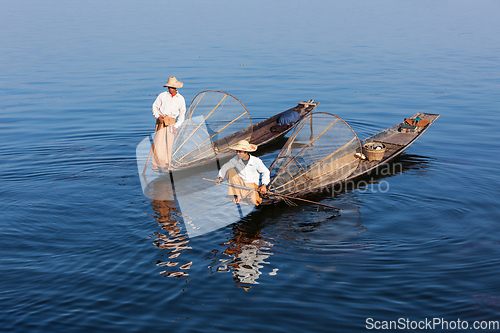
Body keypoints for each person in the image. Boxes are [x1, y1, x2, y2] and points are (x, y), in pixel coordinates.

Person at [217, 140, 270, 206]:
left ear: (246, 152)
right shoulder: (235, 159)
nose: (238, 153)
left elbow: (265, 171)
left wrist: (264, 185)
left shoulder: (256, 161)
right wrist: (220, 177)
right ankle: (238, 195)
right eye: (237, 151)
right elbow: (225, 167)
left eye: (240, 151)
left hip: (252, 186)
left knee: (254, 201)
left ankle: (241, 196)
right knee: (230, 171)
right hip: (240, 185)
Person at [151, 76, 186, 171]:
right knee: (158, 142)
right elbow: (155, 106)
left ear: (175, 88)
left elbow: (182, 114)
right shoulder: (162, 96)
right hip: (161, 120)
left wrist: (176, 126)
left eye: (172, 87)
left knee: (169, 143)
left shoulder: (180, 99)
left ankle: (168, 164)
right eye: (169, 87)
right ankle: (156, 164)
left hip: (171, 122)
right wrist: (158, 116)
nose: (170, 89)